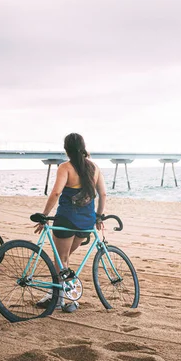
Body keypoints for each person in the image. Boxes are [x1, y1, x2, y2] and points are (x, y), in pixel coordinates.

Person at [34, 133, 107, 313]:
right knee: (64, 260)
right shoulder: (95, 168)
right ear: (83, 147)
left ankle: (62, 298)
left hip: (66, 220)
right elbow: (103, 194)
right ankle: (59, 295)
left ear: (66, 149)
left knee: (61, 260)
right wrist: (98, 216)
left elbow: (56, 193)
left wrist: (44, 215)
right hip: (86, 222)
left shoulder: (65, 167)